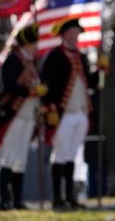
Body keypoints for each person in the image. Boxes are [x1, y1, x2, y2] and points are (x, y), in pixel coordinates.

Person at [42, 17, 100, 210]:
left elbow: (90, 83)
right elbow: (46, 84)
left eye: (77, 34)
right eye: (72, 33)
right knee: (60, 154)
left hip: (80, 111)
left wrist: (100, 69)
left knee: (72, 154)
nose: (75, 37)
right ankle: (57, 198)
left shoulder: (81, 57)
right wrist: (49, 108)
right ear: (64, 34)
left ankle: (70, 197)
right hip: (62, 112)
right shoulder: (54, 56)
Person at [0, 24, 48, 210]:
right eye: (33, 43)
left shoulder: (33, 63)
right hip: (13, 114)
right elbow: (8, 86)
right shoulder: (12, 61)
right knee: (9, 156)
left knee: (21, 158)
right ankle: (4, 200)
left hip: (28, 116)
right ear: (26, 44)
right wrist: (29, 91)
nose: (36, 47)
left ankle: (17, 200)